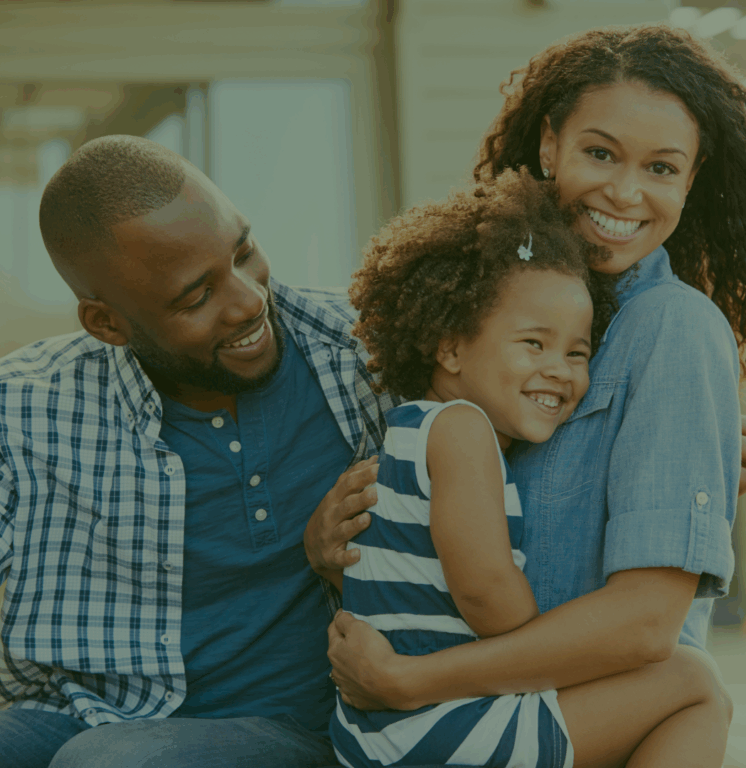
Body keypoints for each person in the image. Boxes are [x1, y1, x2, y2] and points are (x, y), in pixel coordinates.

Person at [311, 22, 745, 758]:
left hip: (567, 722)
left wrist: (417, 684)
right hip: (468, 726)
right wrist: (335, 549)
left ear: (692, 179)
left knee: (696, 683)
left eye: (663, 168)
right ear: (550, 146)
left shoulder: (674, 330)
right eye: (600, 152)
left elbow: (646, 626)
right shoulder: (480, 310)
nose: (625, 191)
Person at [0, 134, 414, 768]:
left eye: (244, 253)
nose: (248, 299)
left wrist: (346, 562)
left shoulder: (368, 358)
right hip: (91, 711)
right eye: (196, 296)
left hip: (299, 730)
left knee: (106, 764)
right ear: (108, 324)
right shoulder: (17, 407)